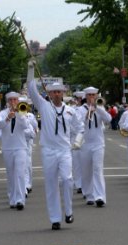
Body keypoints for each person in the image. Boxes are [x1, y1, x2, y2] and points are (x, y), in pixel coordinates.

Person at [27, 60, 84, 230]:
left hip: (65, 150)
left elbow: (80, 128)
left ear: (63, 93)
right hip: (48, 151)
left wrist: (78, 141)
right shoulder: (44, 106)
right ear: (50, 94)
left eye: (59, 91)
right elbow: (31, 90)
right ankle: (55, 218)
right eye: (54, 92)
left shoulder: (70, 110)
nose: (57, 94)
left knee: (67, 180)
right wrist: (30, 69)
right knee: (51, 183)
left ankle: (68, 212)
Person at [0, 92, 31, 210]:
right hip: (7, 147)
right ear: (7, 102)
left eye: (15, 100)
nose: (13, 102)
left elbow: (25, 126)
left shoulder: (22, 111)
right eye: (10, 100)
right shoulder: (1, 114)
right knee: (10, 175)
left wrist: (19, 114)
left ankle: (20, 200)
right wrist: (7, 118)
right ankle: (12, 198)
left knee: (20, 174)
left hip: (20, 147)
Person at [78, 88, 111, 207]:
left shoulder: (100, 107)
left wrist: (98, 109)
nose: (92, 97)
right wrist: (88, 114)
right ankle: (89, 194)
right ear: (85, 96)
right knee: (86, 171)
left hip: (98, 143)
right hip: (85, 143)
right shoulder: (80, 110)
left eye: (94, 95)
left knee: (98, 169)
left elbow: (108, 120)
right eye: (89, 95)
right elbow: (78, 124)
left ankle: (100, 196)